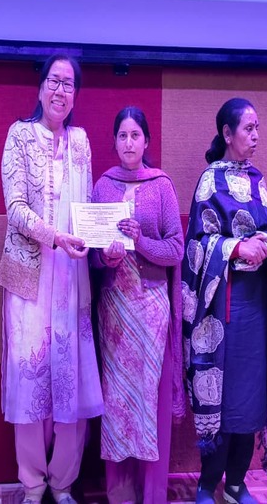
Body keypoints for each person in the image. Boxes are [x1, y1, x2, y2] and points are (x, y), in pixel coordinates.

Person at [0, 55, 103, 504]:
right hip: (29, 280)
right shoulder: (19, 135)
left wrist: (104, 239)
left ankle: (62, 483)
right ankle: (33, 483)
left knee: (70, 384)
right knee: (29, 384)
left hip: (72, 280)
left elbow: (87, 208)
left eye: (69, 84)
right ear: (40, 88)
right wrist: (56, 237)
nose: (61, 91)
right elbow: (15, 208)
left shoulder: (81, 141)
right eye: (54, 81)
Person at [181, 98, 267, 504]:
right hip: (223, 309)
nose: (256, 135)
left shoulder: (258, 180)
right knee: (224, 399)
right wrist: (234, 248)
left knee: (250, 396)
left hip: (257, 307)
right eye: (248, 128)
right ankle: (207, 483)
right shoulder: (210, 181)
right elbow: (197, 245)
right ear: (227, 134)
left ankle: (235, 483)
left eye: (257, 127)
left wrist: (266, 244)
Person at [90, 106, 185, 503]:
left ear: (146, 141)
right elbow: (91, 256)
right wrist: (106, 257)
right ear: (114, 142)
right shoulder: (102, 186)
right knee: (117, 402)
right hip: (114, 309)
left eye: (135, 135)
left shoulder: (161, 185)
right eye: (122, 135)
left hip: (151, 309)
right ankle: (120, 493)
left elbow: (176, 249)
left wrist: (141, 241)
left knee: (149, 401)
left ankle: (152, 494)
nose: (129, 143)